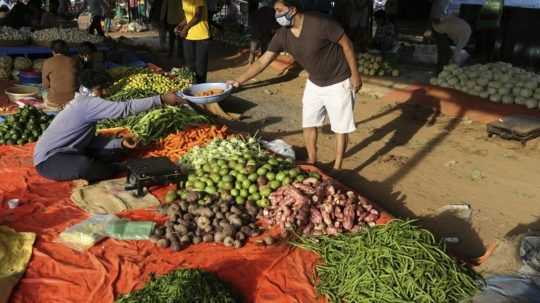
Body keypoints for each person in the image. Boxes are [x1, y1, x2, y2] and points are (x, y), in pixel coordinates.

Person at [228, 0, 361, 170]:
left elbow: (347, 45)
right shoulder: (283, 35)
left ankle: (337, 166)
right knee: (309, 121)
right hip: (315, 82)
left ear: (292, 10)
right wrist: (238, 81)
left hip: (338, 80)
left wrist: (355, 75)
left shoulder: (320, 22)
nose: (276, 14)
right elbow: (263, 62)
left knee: (340, 127)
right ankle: (312, 160)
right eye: (275, 10)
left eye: (279, 10)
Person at [34, 70, 182, 183]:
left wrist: (120, 143)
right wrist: (160, 99)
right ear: (91, 89)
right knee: (86, 166)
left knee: (116, 151)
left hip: (73, 150)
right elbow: (125, 109)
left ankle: (105, 165)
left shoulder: (82, 100)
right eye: (102, 89)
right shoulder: (87, 104)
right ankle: (111, 169)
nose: (105, 93)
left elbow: (89, 140)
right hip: (49, 161)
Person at [430, 0, 471, 68]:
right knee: (445, 52)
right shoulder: (463, 36)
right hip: (441, 26)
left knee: (446, 52)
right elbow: (436, 18)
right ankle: (443, 68)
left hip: (443, 25)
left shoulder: (463, 35)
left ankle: (444, 68)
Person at [177, 0, 209, 83]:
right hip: (189, 37)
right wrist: (180, 25)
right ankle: (192, 89)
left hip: (202, 36)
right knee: (190, 67)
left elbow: (198, 15)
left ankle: (201, 88)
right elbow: (188, 17)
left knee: (200, 68)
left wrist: (185, 28)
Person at [42, 40, 77, 111]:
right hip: (72, 99)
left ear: (53, 51)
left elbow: (45, 85)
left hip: (54, 101)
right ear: (66, 50)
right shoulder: (74, 61)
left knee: (43, 92)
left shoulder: (48, 62)